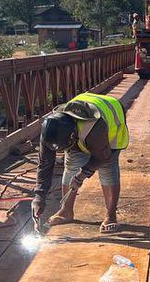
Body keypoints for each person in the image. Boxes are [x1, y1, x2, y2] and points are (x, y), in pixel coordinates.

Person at [32, 91, 130, 234]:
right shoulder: (50, 129)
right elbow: (45, 163)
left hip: (111, 127)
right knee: (71, 165)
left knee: (107, 169)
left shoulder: (94, 127)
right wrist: (39, 196)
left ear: (73, 136)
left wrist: (82, 175)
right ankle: (66, 211)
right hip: (79, 131)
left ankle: (111, 216)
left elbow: (102, 157)